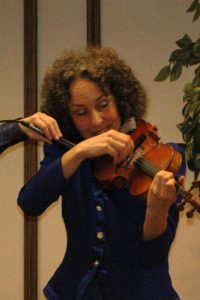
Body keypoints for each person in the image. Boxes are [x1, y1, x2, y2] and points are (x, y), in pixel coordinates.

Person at [17, 47, 185, 300]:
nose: (96, 121)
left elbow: (152, 257)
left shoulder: (166, 157)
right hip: (75, 292)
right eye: (81, 112)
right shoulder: (67, 155)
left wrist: (157, 210)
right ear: (69, 116)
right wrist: (79, 152)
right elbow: (30, 203)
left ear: (120, 98)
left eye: (103, 105)